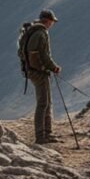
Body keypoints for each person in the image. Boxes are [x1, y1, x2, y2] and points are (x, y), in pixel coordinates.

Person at [23, 9, 62, 144]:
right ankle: (41, 136)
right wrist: (53, 67)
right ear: (48, 21)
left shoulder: (33, 31)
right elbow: (44, 55)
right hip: (39, 72)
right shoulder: (41, 33)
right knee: (43, 103)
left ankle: (47, 133)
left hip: (34, 71)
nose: (52, 24)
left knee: (46, 102)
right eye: (52, 21)